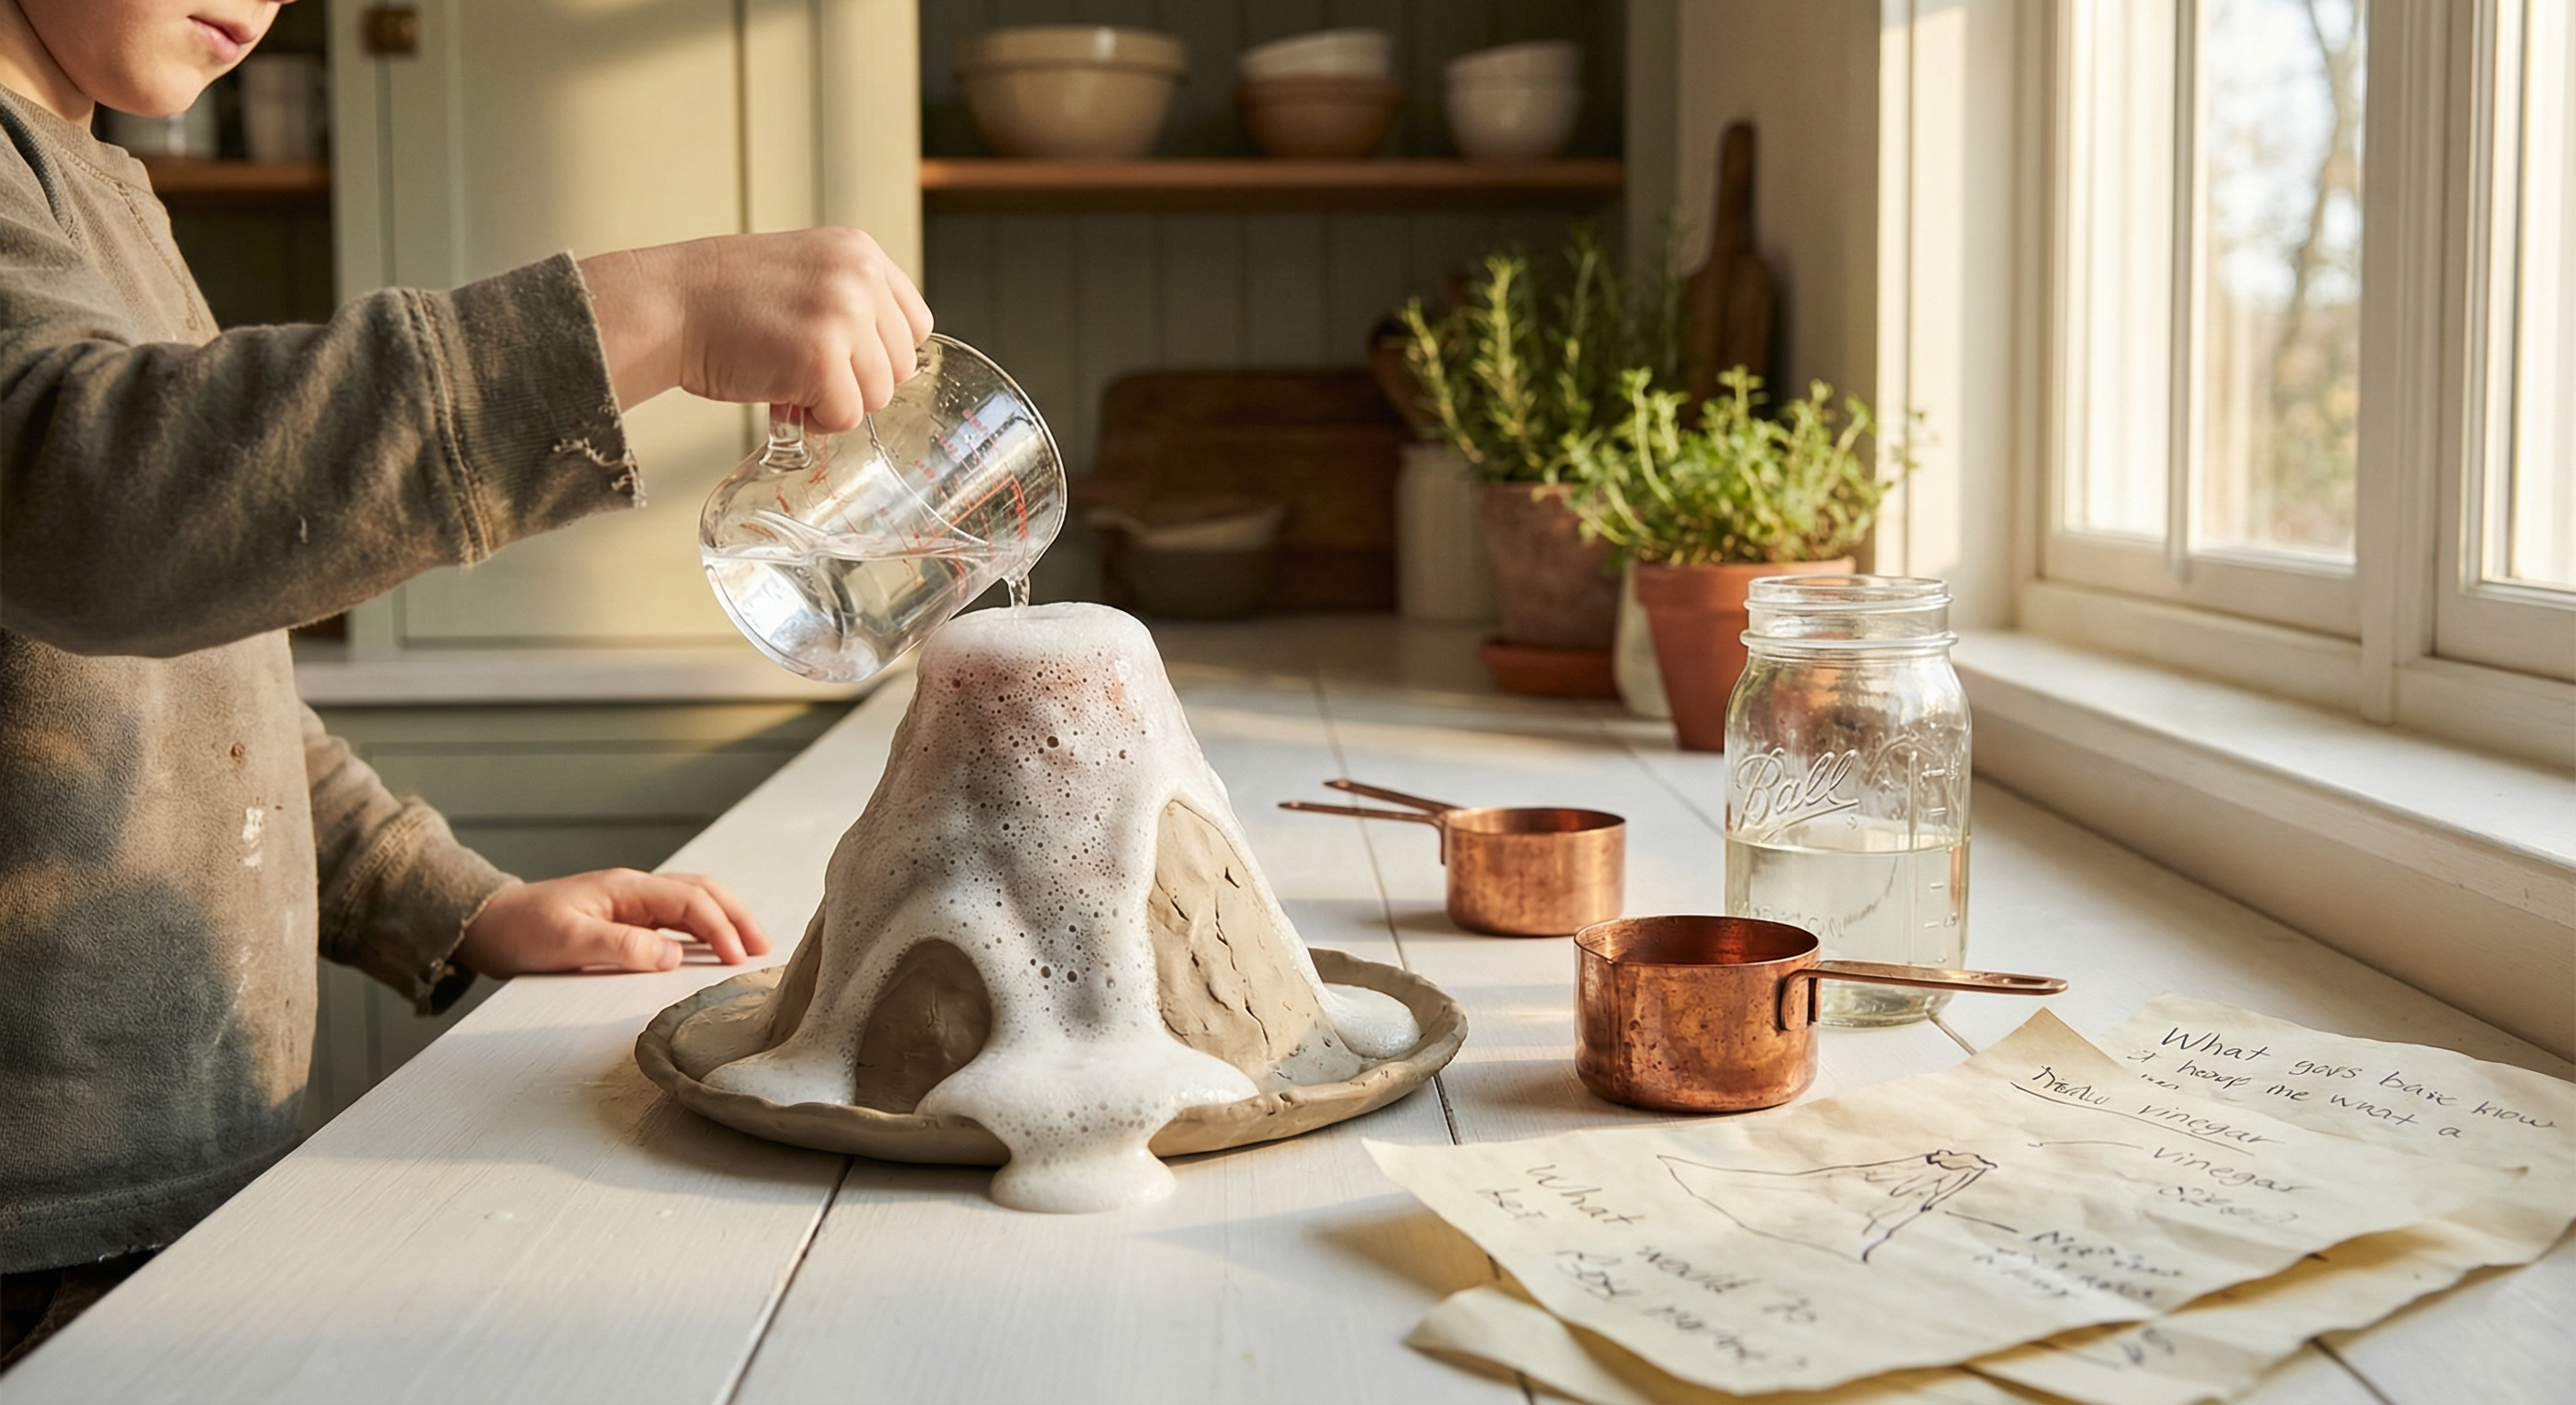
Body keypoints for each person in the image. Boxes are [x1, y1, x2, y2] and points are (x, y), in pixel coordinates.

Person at [0, 0, 933, 1363]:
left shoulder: (97, 188)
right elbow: (95, 510)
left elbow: (203, 698)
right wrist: (652, 311)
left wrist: (459, 903)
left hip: (174, 1190)